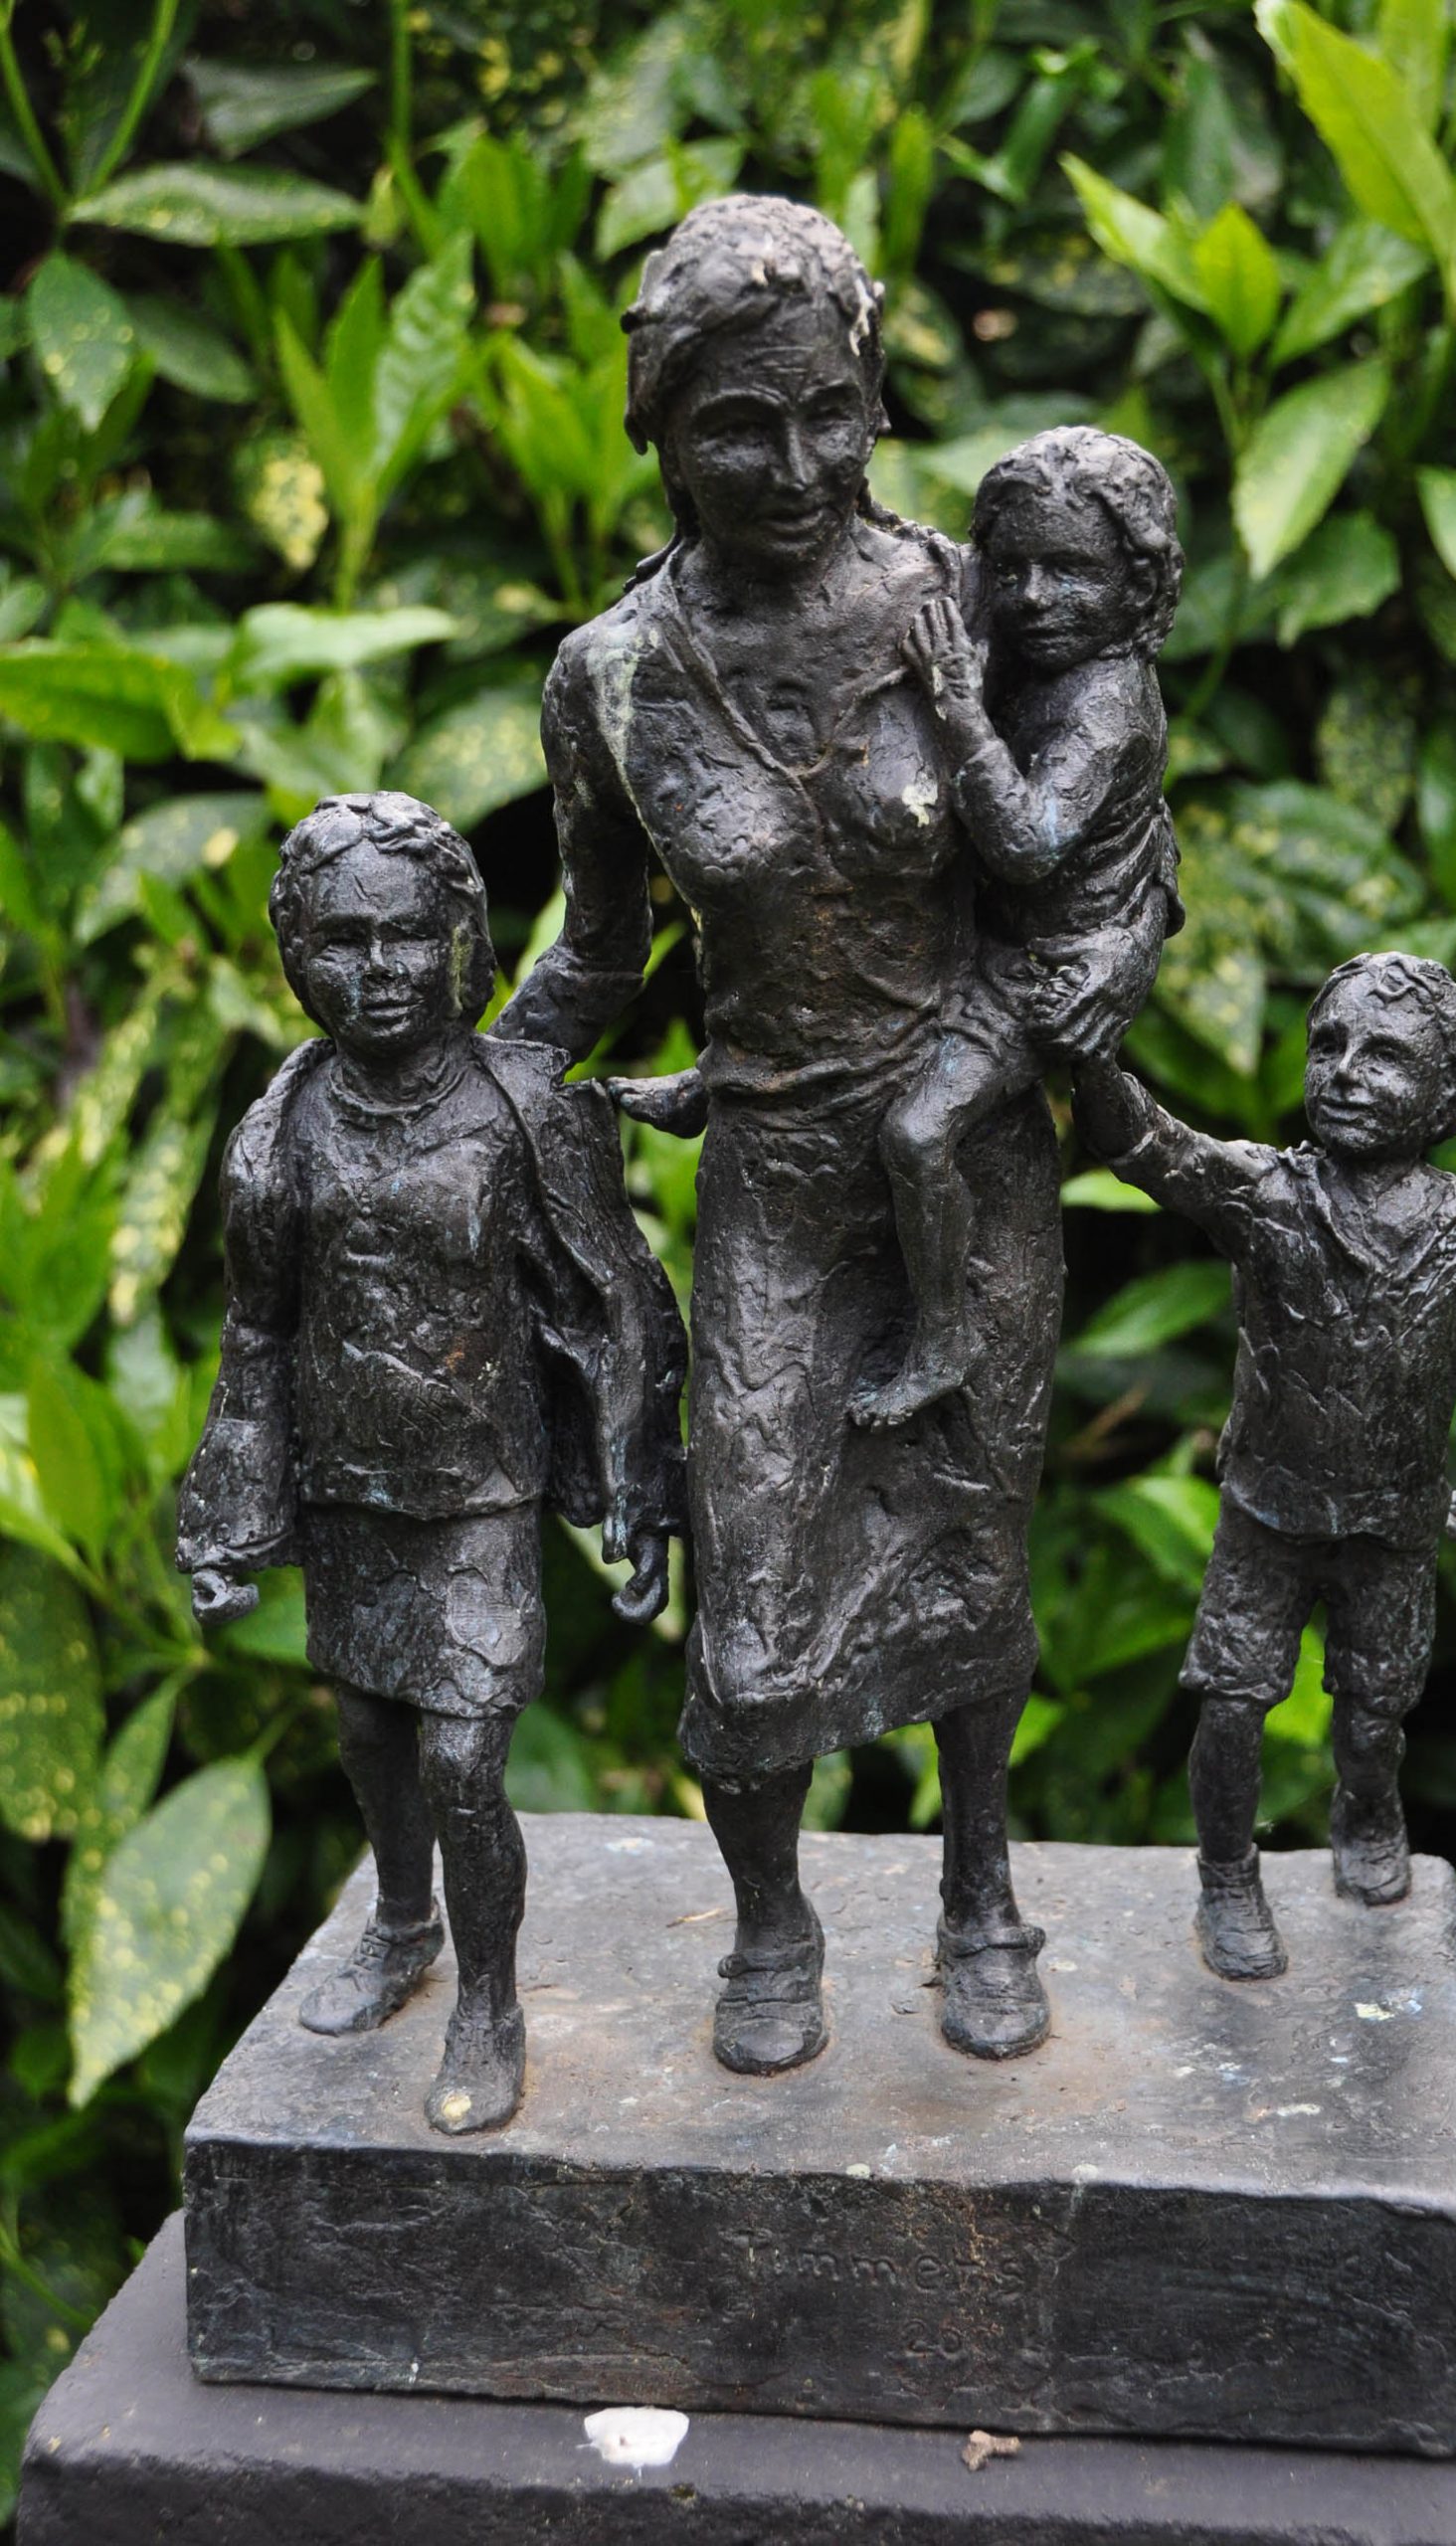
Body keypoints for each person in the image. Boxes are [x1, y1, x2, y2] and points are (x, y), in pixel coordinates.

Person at [498, 197, 1073, 2076]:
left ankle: (982, 1893)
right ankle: (771, 1923)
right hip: (776, 1176)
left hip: (968, 1154)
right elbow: (597, 956)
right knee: (751, 1565)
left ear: (875, 396)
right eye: (742, 427)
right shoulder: (613, 678)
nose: (802, 465)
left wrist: (1010, 1050)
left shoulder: (969, 604)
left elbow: (1087, 871)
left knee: (974, 1538)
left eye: (833, 412)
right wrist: (455, 1081)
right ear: (662, 433)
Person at [178, 791, 684, 2132]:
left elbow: (614, 1299)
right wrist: (225, 1523)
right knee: (367, 1733)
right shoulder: (281, 1129)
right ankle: (402, 1924)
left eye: (408, 934)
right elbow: (257, 1333)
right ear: (298, 955)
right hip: (349, 1483)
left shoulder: (519, 1108)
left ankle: (490, 2001)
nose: (381, 969)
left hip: (480, 1487)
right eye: (343, 941)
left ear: (461, 937)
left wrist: (642, 1483)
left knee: (464, 1760)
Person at [1073, 952, 1456, 1982]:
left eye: (1384, 1056)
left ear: (1446, 1093)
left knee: (1374, 1709)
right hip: (1266, 1514)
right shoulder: (1265, 1193)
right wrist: (1089, 1056)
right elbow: (1148, 1146)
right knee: (1231, 1702)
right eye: (1329, 1045)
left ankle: (1366, 1810)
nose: (1345, 1072)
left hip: (1394, 1524)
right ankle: (1227, 1876)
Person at [851, 425, 1184, 1429]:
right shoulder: (1033, 638)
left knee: (915, 1133)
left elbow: (1029, 843)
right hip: (986, 930)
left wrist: (957, 703)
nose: (1033, 596)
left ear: (1136, 585)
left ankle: (942, 1337)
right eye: (1015, 567)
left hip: (1042, 967)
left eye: (1071, 572)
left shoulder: (1107, 702)